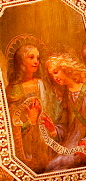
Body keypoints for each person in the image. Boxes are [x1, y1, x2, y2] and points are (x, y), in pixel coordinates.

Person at [43, 54, 86, 171]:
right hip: (69, 145)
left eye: (56, 72)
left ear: (66, 68)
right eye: (51, 75)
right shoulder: (66, 95)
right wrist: (54, 129)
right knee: (51, 166)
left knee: (55, 168)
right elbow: (68, 127)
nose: (54, 77)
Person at [5, 41, 54, 173]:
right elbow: (11, 122)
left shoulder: (41, 84)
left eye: (38, 58)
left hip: (43, 137)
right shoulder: (13, 89)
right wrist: (30, 121)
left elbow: (51, 109)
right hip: (24, 141)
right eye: (31, 57)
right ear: (20, 61)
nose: (36, 61)